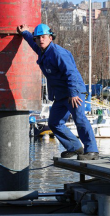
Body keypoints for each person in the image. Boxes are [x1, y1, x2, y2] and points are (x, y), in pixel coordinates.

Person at [17, 23, 99, 160]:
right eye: (38, 38)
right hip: (61, 95)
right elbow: (32, 44)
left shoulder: (58, 53)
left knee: (80, 119)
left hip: (74, 92)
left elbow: (71, 73)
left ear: (50, 38)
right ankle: (75, 147)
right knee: (54, 122)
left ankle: (92, 151)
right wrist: (25, 32)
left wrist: (73, 94)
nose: (41, 40)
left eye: (44, 37)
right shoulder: (42, 51)